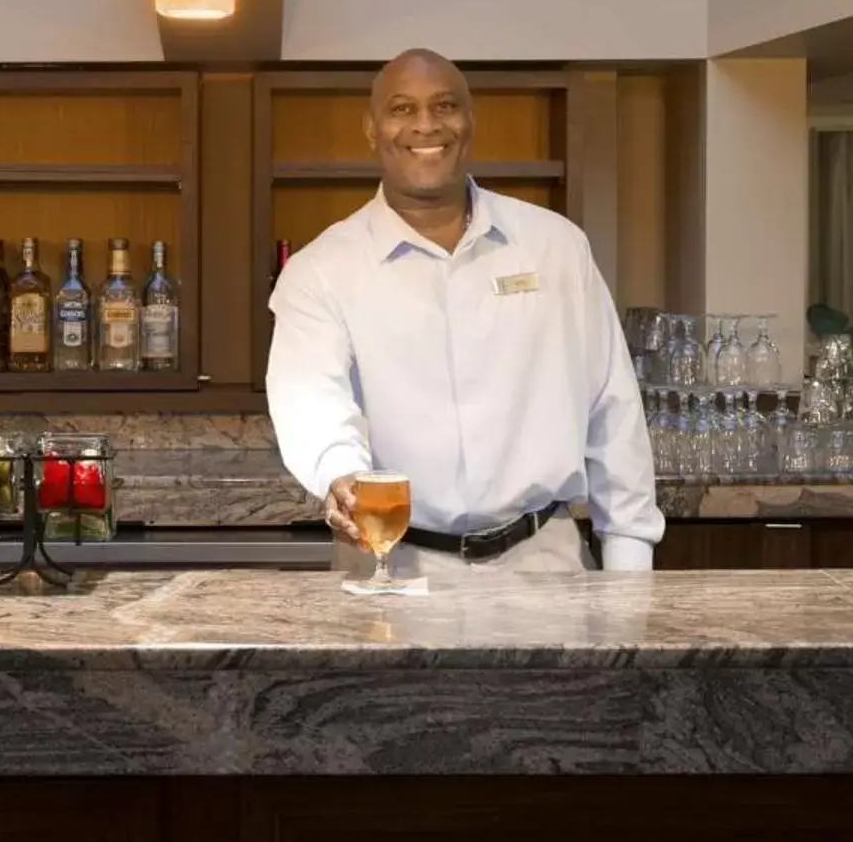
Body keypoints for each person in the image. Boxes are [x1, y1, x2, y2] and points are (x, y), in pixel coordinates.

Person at [267, 49, 662, 575]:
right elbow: (310, 400)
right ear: (372, 127)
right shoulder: (320, 270)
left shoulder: (556, 246)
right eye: (402, 108)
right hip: (391, 567)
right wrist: (340, 476)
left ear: (470, 121)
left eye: (445, 106)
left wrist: (630, 569)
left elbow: (613, 411)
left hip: (546, 567)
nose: (426, 125)